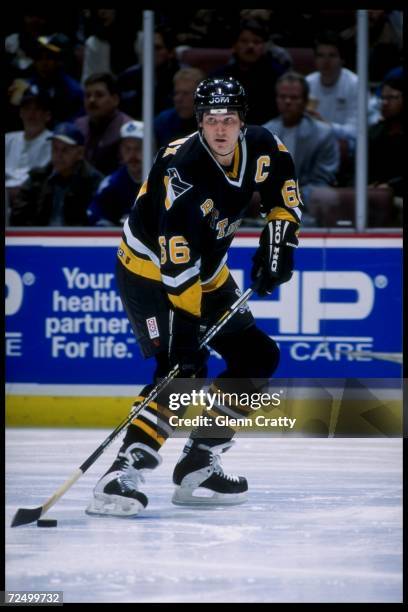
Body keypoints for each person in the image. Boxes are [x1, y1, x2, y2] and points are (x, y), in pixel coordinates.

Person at [86, 76, 303, 518]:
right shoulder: (181, 172)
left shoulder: (265, 146)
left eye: (228, 120)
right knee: (183, 370)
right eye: (210, 120)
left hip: (206, 268)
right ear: (199, 123)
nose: (220, 130)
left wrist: (278, 243)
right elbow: (176, 266)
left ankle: (199, 462)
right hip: (149, 272)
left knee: (257, 357)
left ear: (243, 122)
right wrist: (184, 338)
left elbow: (284, 197)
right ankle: (123, 471)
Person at [263, 72, 339, 226]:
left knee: (325, 196)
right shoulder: (265, 132)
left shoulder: (323, 134)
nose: (288, 101)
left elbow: (323, 178)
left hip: (309, 197)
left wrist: (289, 196)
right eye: (282, 97)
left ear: (305, 101)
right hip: (271, 199)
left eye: (294, 97)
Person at [9, 122, 103, 227]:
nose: (58, 155)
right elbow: (18, 215)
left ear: (80, 153)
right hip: (39, 238)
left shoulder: (93, 181)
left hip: (78, 240)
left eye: (65, 150)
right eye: (55, 149)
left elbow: (97, 220)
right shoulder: (38, 178)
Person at [211, 18, 290, 124]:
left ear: (264, 46)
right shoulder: (219, 77)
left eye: (256, 42)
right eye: (244, 41)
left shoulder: (278, 76)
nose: (250, 46)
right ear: (234, 46)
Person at [6, 85, 53, 213]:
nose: (31, 114)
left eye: (37, 109)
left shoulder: (53, 143)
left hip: (32, 205)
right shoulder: (8, 139)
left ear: (47, 115)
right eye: (27, 109)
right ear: (20, 113)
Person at [87, 120, 143, 226]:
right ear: (121, 150)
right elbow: (96, 215)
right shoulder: (112, 183)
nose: (132, 155)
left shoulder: (162, 180)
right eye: (127, 149)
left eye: (138, 148)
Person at [75, 72, 133, 176]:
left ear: (115, 99)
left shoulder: (128, 130)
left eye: (99, 95)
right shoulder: (78, 126)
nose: (91, 100)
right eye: (87, 96)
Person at [368, 76, 403, 224]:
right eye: (382, 98)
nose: (385, 103)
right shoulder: (374, 133)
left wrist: (390, 186)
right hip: (374, 194)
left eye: (392, 98)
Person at [154, 67, 205, 148]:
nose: (178, 99)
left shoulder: (212, 123)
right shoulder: (163, 121)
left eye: (186, 93)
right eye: (176, 93)